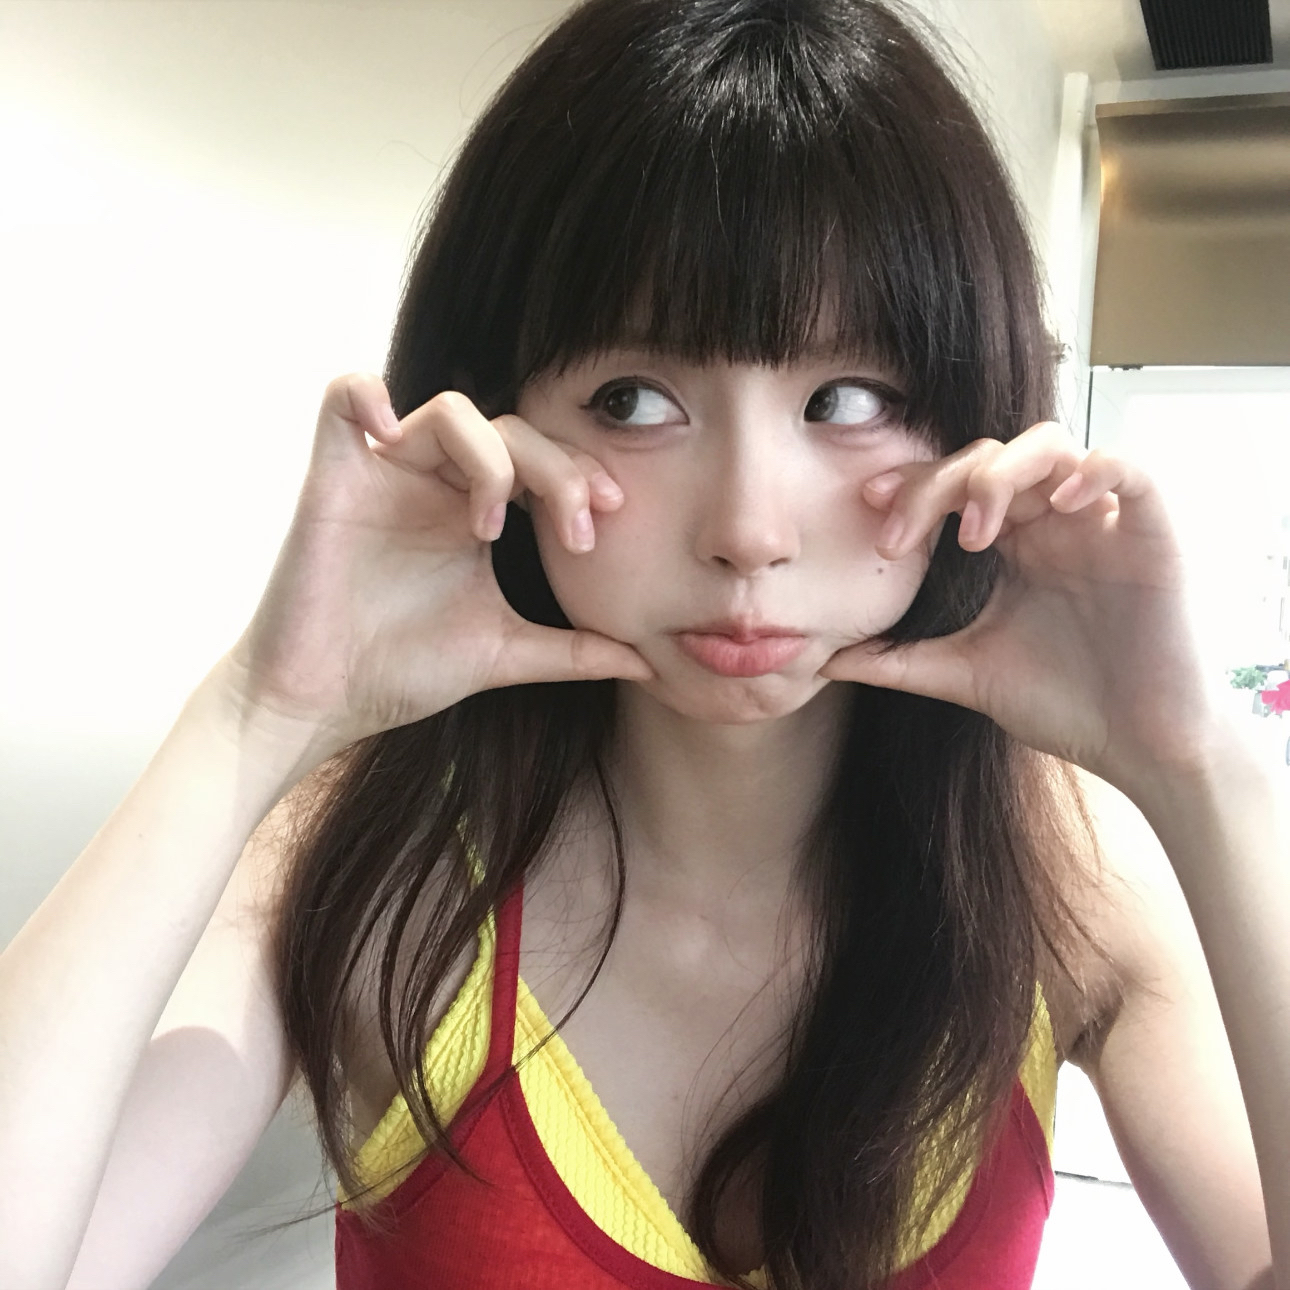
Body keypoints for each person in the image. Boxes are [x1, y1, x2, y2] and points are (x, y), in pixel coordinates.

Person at [1, 0, 1284, 1287]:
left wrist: (1199, 770)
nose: (748, 531)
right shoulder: (370, 865)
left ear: (976, 429)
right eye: (634, 399)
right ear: (496, 417)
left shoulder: (1069, 882)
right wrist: (256, 714)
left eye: (848, 400)